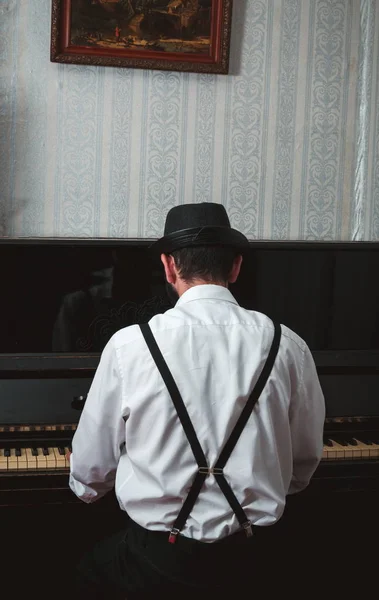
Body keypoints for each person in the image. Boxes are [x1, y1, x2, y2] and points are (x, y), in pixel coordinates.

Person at [68, 202, 325, 598]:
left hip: (157, 561)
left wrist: (90, 486)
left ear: (168, 267)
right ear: (236, 267)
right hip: (253, 558)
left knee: (77, 571)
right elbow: (303, 464)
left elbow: (90, 472)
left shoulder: (129, 346)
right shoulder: (287, 344)